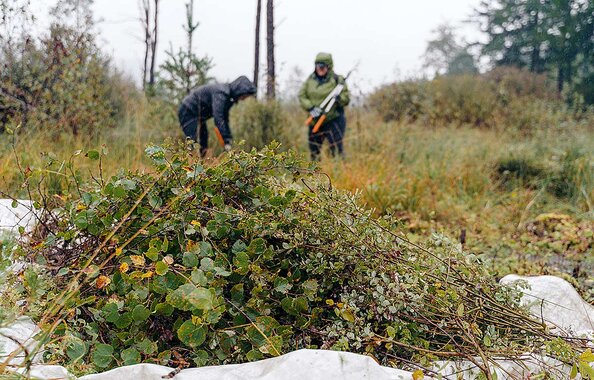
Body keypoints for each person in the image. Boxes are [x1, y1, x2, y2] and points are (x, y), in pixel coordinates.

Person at [178, 76, 257, 157]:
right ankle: (186, 165)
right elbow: (218, 117)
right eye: (244, 96)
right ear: (239, 90)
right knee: (192, 141)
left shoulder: (228, 97)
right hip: (188, 110)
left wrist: (228, 140)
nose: (243, 99)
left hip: (199, 116)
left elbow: (225, 119)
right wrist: (226, 141)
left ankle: (201, 164)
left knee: (203, 142)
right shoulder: (221, 93)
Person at [299, 52, 350, 160]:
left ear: (329, 67)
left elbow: (346, 99)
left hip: (333, 120)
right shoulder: (310, 80)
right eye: (318, 66)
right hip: (315, 121)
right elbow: (302, 95)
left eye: (323, 66)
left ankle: (338, 172)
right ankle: (315, 174)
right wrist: (311, 107)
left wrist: (339, 99)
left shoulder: (337, 80)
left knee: (336, 151)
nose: (320, 69)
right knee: (314, 152)